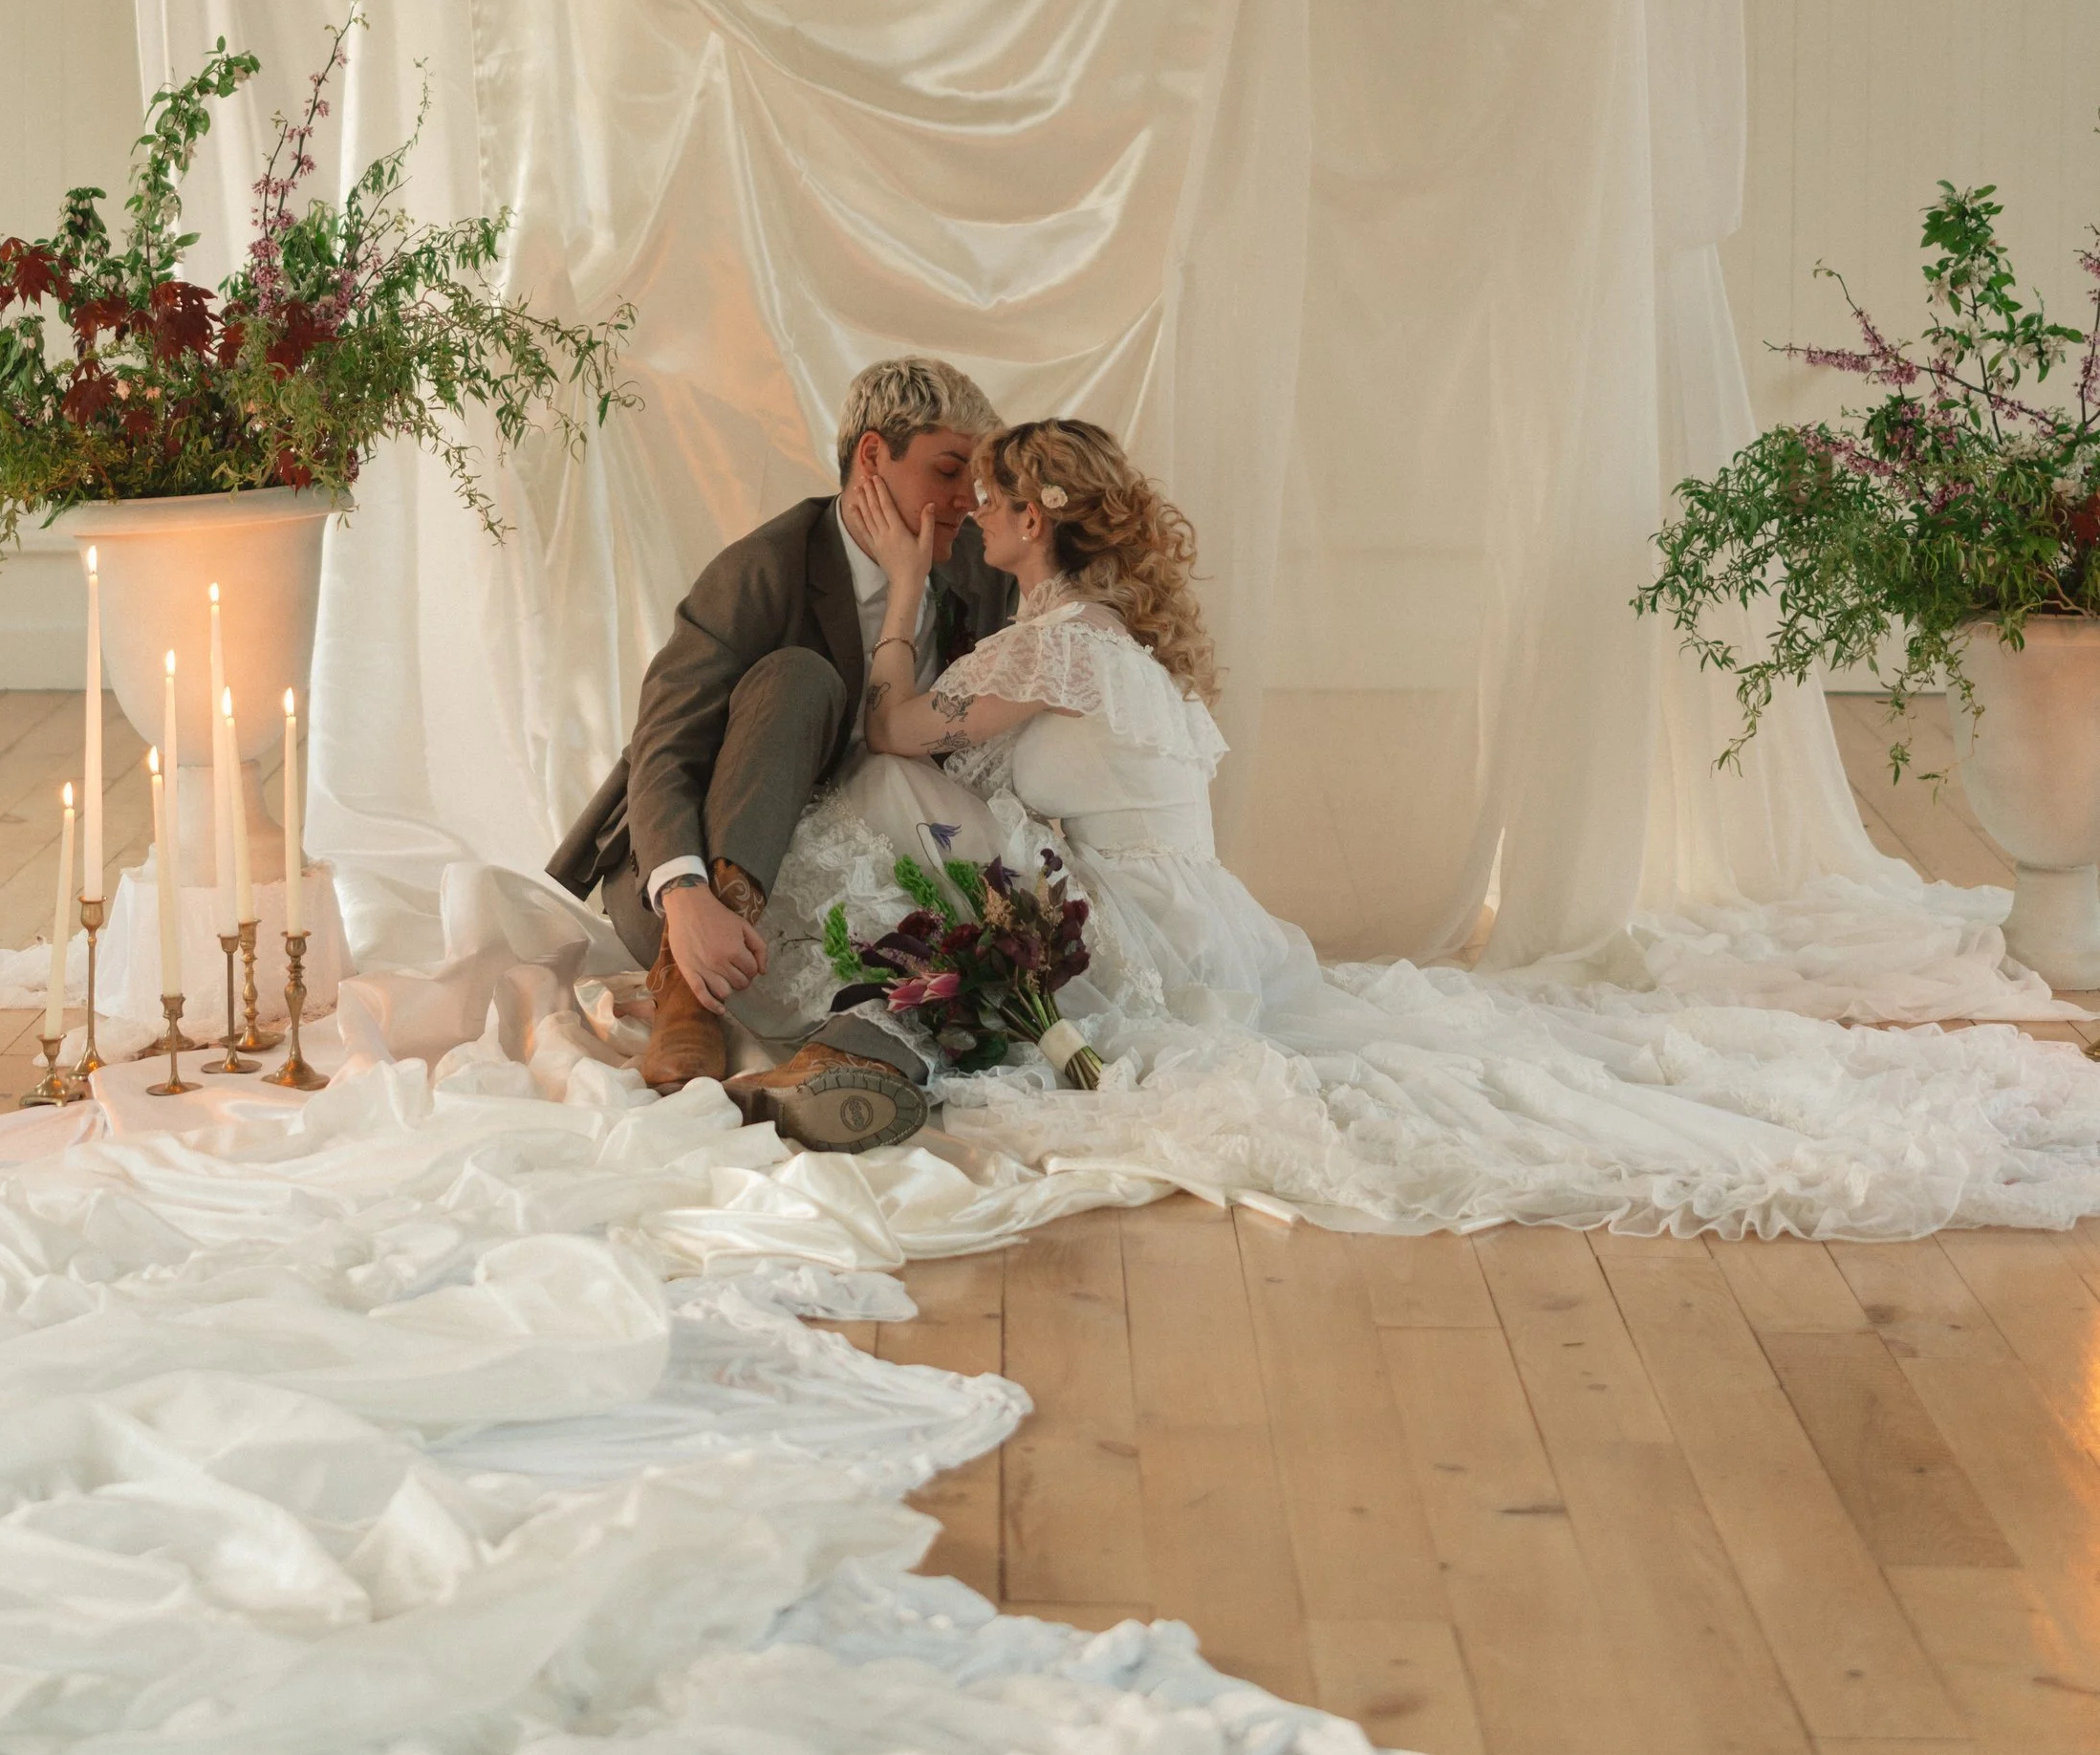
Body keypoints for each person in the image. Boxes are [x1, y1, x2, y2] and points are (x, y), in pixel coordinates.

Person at [748, 416, 2100, 1239]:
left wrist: (911, 587)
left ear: (1032, 517)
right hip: (1187, 910)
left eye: (982, 500)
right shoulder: (1091, 636)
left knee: (889, 793)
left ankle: (810, 1015)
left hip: (1146, 925)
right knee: (937, 837)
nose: (967, 513)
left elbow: (895, 732)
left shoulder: (1056, 647)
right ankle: (853, 1035)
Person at [547, 355, 1015, 1153]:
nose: (967, 499)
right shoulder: (764, 567)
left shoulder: (974, 562)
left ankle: (837, 1070)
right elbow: (663, 748)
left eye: (976, 479)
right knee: (801, 677)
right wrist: (687, 897)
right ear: (872, 457)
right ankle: (691, 992)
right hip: (697, 858)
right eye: (947, 470)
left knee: (983, 929)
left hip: (858, 856)